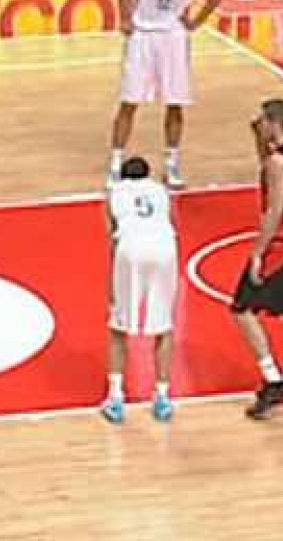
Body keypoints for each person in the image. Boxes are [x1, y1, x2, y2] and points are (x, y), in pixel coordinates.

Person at [109, 0, 223, 188]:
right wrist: (125, 16)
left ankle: (171, 163)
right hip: (144, 33)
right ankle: (115, 162)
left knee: (175, 102)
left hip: (173, 34)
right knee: (129, 100)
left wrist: (196, 19)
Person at [232, 98, 283, 420]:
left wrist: (257, 252)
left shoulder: (278, 163)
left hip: (282, 239)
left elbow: (274, 207)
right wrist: (258, 140)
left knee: (241, 307)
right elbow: (268, 168)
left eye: (262, 121)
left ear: (273, 122)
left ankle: (272, 378)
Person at [99, 156, 179, 424]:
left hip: (131, 249)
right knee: (163, 326)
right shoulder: (161, 191)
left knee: (119, 325)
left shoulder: (114, 193)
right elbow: (173, 225)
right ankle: (163, 396)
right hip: (164, 249)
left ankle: (115, 396)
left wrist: (112, 283)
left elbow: (112, 237)